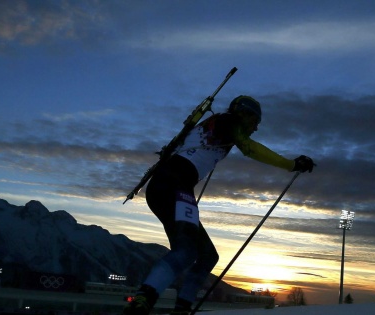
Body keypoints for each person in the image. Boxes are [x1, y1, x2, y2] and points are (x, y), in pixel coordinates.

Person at [123, 95, 315, 315]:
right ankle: (142, 301)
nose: (256, 128)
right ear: (245, 114)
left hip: (165, 186)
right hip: (175, 185)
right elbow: (249, 148)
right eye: (255, 122)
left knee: (207, 255)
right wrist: (291, 165)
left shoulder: (216, 124)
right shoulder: (228, 122)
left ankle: (180, 307)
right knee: (186, 251)